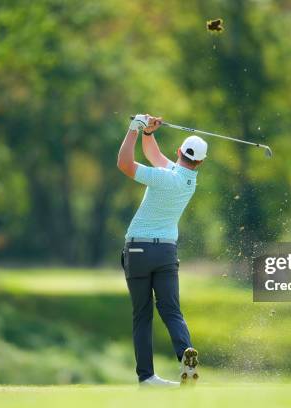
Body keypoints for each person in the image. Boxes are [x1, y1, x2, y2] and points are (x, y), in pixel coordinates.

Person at [117, 114, 207, 387]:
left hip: (139, 251)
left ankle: (146, 376)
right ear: (200, 161)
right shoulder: (188, 180)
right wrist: (148, 134)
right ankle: (185, 353)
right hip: (166, 254)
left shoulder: (163, 178)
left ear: (179, 151)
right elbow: (154, 155)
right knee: (172, 311)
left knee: (142, 314)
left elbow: (124, 164)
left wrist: (134, 128)